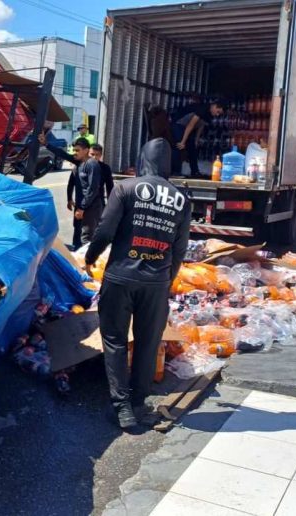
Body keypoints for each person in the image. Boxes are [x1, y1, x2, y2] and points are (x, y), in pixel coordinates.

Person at [84, 138, 191, 430]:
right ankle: (139, 402)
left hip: (121, 276)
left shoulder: (126, 188)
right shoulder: (181, 199)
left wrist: (91, 257)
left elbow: (105, 230)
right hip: (156, 282)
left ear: (143, 159)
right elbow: (179, 248)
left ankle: (122, 409)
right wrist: (166, 279)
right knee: (148, 342)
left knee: (115, 340)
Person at [171, 101, 225, 177]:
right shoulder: (203, 109)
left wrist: (196, 139)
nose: (217, 114)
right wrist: (183, 141)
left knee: (193, 148)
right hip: (179, 124)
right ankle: (175, 172)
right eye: (218, 111)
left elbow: (201, 125)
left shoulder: (210, 115)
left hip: (188, 127)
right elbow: (190, 125)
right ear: (214, 106)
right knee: (179, 147)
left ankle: (195, 171)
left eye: (219, 114)